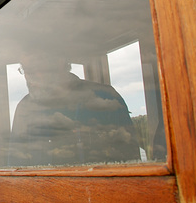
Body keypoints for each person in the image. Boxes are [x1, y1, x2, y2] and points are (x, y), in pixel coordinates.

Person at [8, 53, 140, 166]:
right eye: (25, 69)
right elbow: (15, 166)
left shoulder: (106, 97)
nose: (29, 75)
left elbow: (131, 162)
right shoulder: (24, 108)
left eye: (35, 67)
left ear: (59, 62)